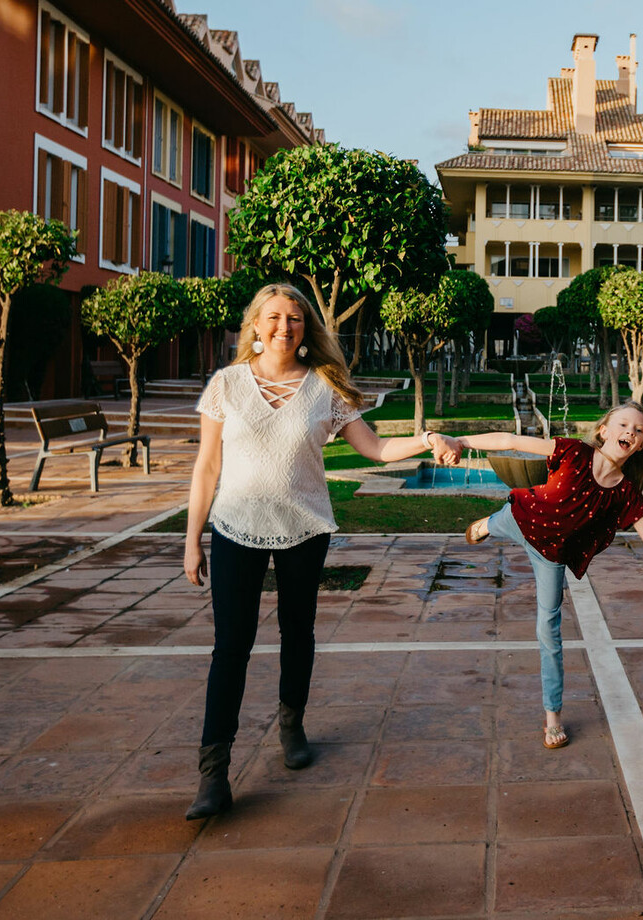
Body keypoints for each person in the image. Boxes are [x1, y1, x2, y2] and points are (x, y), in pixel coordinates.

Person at [181, 282, 462, 820]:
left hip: (304, 529)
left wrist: (428, 440)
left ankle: (291, 725)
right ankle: (213, 775)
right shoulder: (227, 385)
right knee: (230, 649)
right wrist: (193, 539)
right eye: (274, 317)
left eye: (295, 319)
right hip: (235, 527)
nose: (284, 327)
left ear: (306, 330)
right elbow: (207, 467)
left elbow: (376, 449)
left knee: (298, 633)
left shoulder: (323, 389)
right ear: (255, 326)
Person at [453, 401, 643, 749]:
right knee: (503, 519)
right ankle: (488, 524)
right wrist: (458, 441)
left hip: (551, 555)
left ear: (640, 445)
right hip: (522, 518)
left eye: (638, 431)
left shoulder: (625, 494)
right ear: (605, 431)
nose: (630, 433)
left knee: (549, 630)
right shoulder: (574, 452)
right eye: (624, 425)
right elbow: (511, 440)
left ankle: (552, 716)